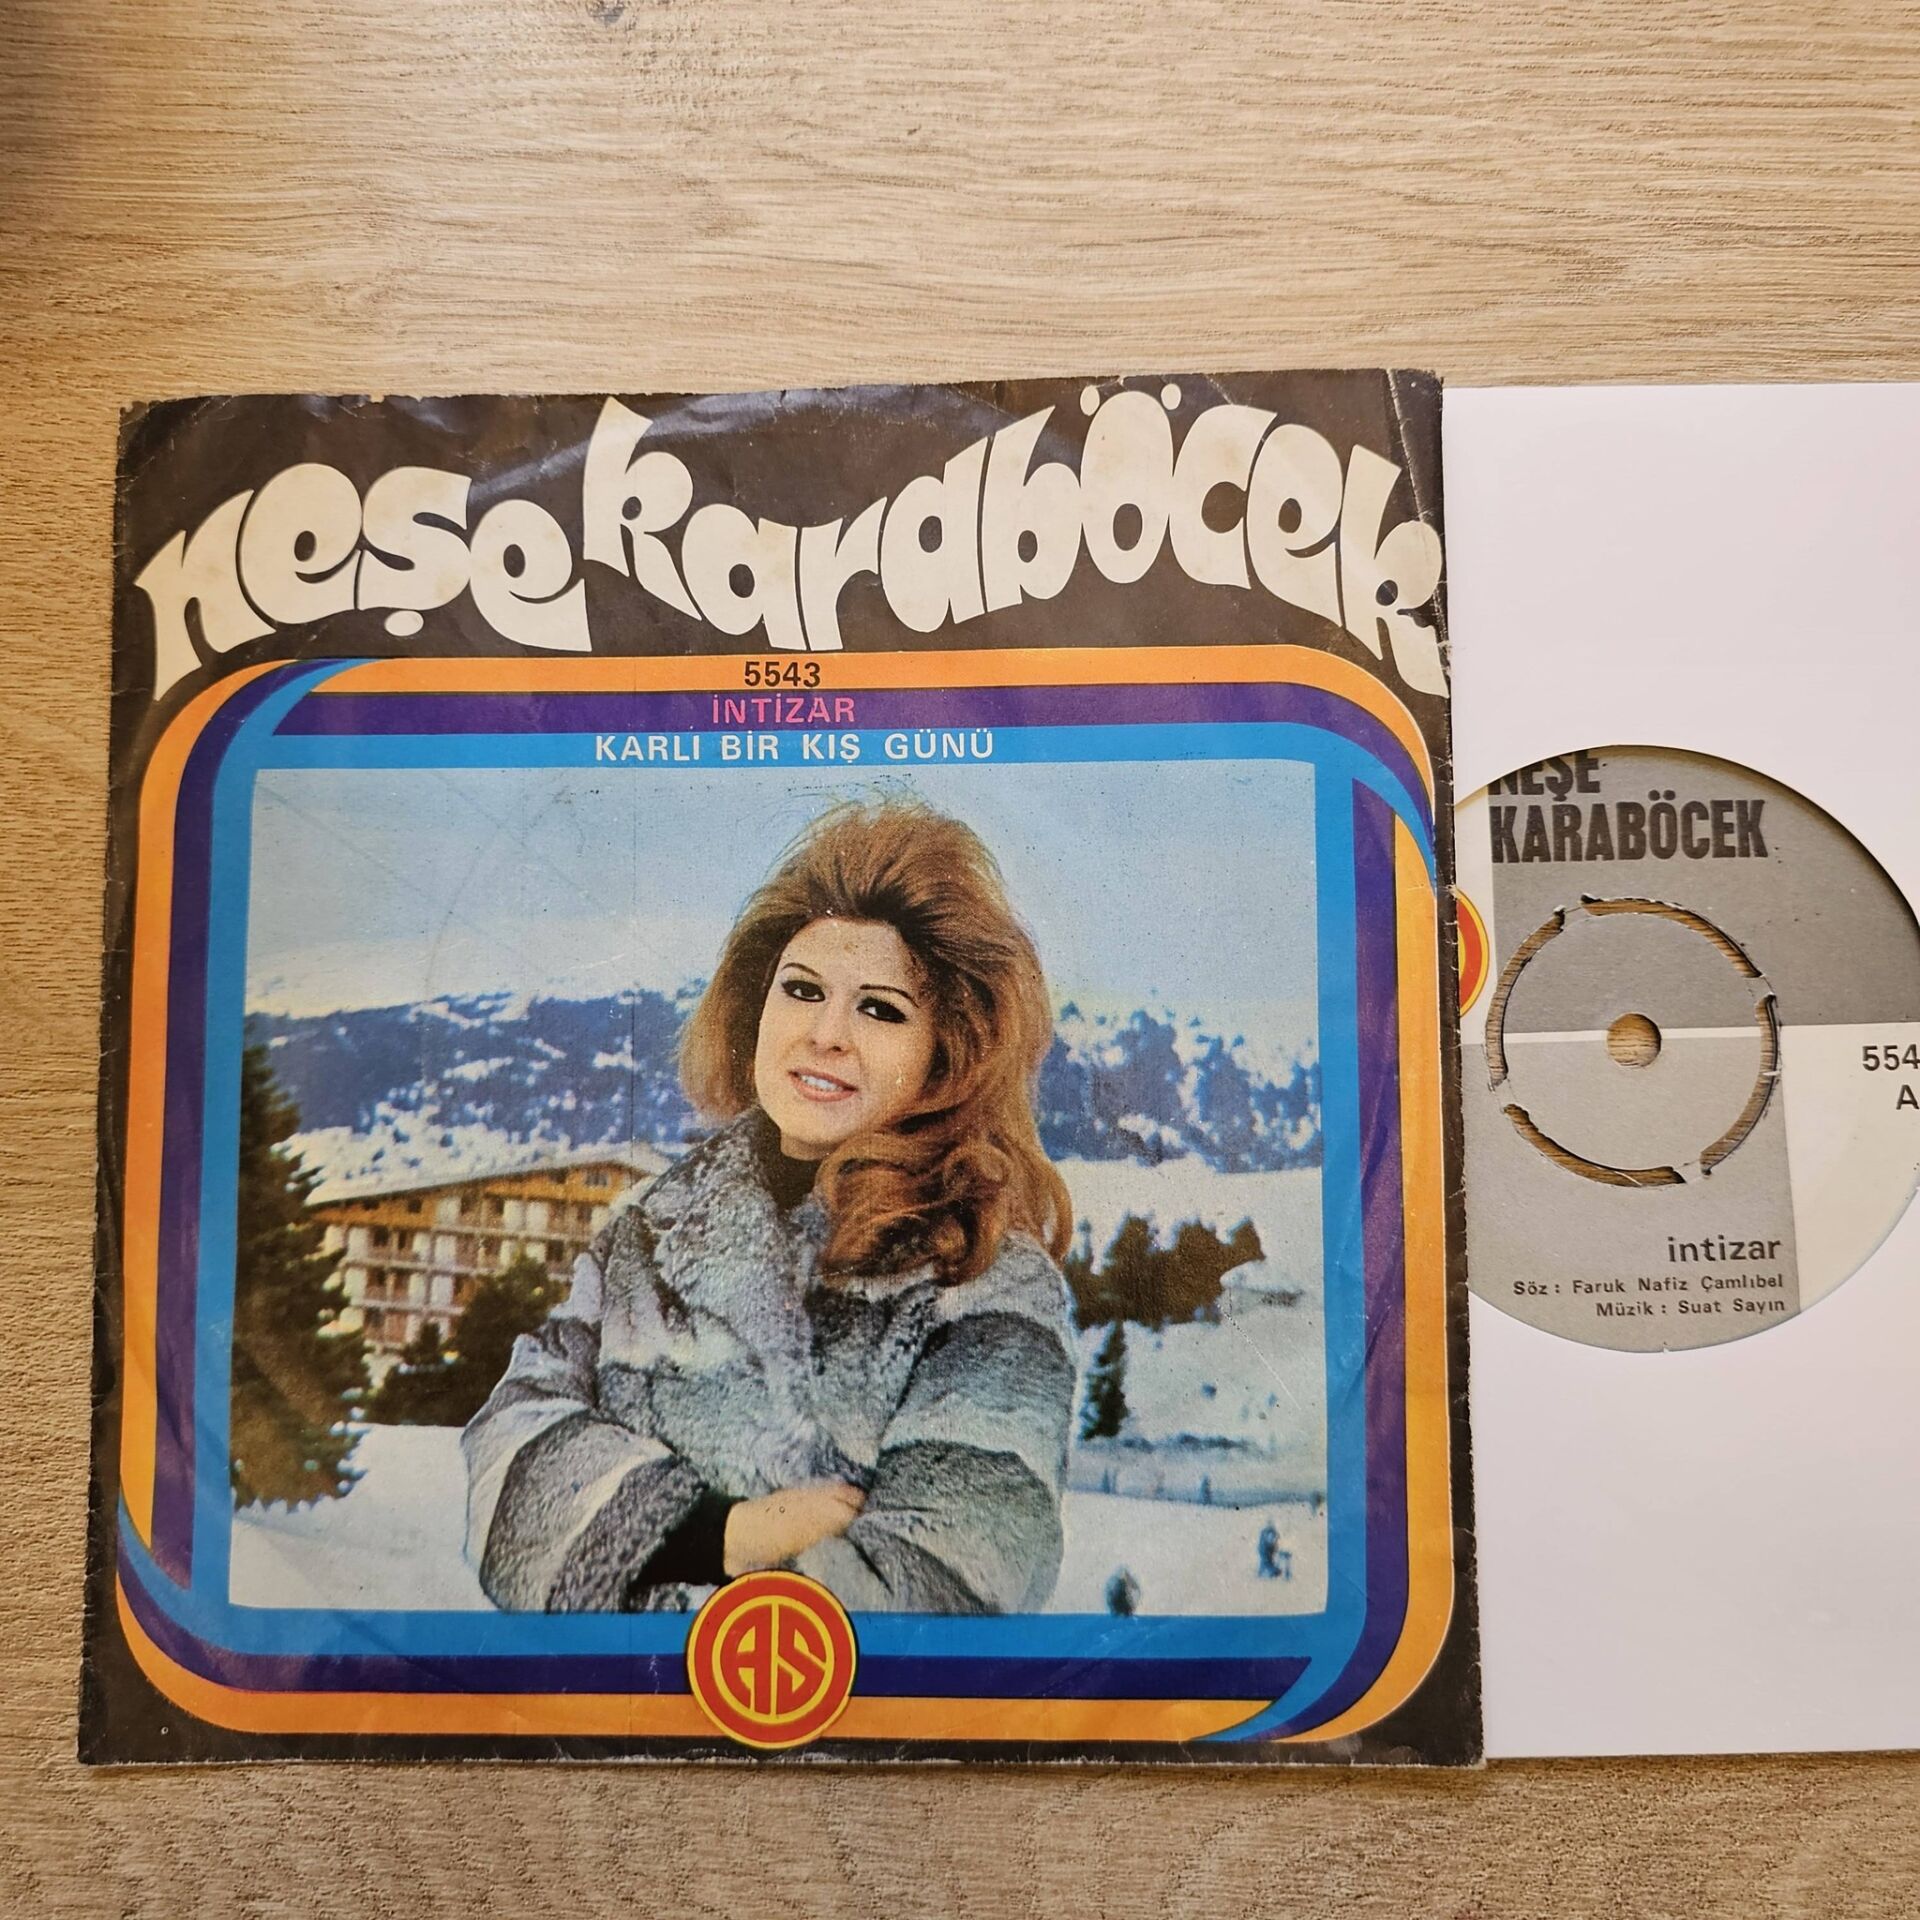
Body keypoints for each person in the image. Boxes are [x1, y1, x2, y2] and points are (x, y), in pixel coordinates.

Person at [461, 797, 1077, 1614]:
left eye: (880, 1009)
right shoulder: (648, 1229)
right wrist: (726, 1534)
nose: (826, 1033)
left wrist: (633, 1582)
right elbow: (508, 1451)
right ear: (755, 1009)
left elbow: (945, 1590)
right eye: (802, 990)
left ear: (944, 1056)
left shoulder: (984, 1278)